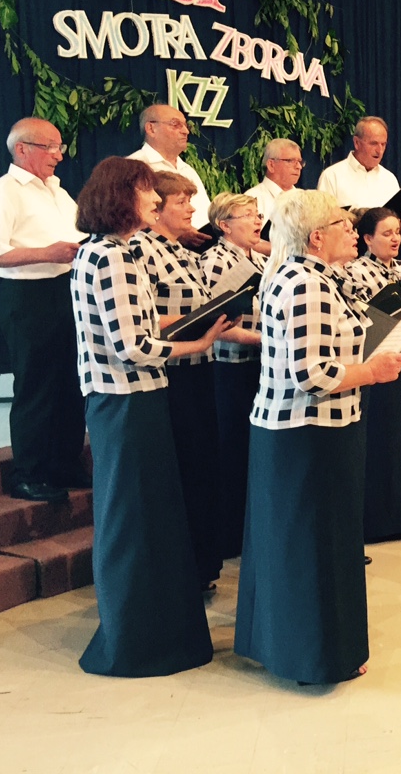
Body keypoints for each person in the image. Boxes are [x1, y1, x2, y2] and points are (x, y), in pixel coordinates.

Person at [235, 190, 401, 685]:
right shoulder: (305, 284)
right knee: (313, 546)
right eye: (342, 224)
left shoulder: (318, 277)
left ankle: (313, 649)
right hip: (305, 432)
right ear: (315, 237)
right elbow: (311, 373)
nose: (353, 230)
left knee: (321, 542)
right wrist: (372, 372)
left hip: (319, 428)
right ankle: (313, 656)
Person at [70, 157, 230, 677]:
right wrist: (197, 344)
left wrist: (190, 325)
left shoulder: (109, 251)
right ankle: (137, 640)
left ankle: (150, 631)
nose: (156, 200)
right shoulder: (111, 257)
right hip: (125, 399)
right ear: (121, 197)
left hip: (129, 397)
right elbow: (132, 346)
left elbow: (136, 323)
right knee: (133, 519)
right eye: (146, 192)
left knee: (144, 517)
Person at [0, 117, 87, 502]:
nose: (58, 155)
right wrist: (47, 253)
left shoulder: (58, 191)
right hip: (28, 296)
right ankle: (28, 473)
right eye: (50, 147)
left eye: (60, 147)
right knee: (36, 385)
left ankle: (65, 464)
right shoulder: (1, 193)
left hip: (66, 289)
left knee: (70, 382)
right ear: (22, 149)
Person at [130, 172, 230, 592]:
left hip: (200, 363)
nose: (191, 209)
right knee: (182, 467)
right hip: (170, 372)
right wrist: (203, 319)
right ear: (155, 209)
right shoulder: (140, 249)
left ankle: (201, 564)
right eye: (182, 202)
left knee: (202, 465)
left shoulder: (182, 249)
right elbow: (143, 316)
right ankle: (180, 569)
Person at [343, 207, 401, 540]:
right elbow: (362, 317)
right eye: (386, 233)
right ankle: (377, 520)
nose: (395, 239)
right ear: (367, 239)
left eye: (397, 232)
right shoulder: (355, 271)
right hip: (377, 361)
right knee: (382, 439)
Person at [199, 193, 266, 561]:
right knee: (233, 450)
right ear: (224, 225)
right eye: (248, 216)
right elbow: (215, 323)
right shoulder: (214, 261)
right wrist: (262, 339)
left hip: (259, 364)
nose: (257, 222)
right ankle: (230, 536)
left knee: (253, 451)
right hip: (230, 366)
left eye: (258, 215)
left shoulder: (261, 259)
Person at [127, 104, 210, 237]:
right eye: (175, 125)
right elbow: (129, 218)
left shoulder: (187, 170)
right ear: (151, 129)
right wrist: (177, 234)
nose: (185, 131)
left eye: (185, 126)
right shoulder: (134, 167)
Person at [316, 116, 400, 209]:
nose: (379, 150)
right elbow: (323, 216)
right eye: (373, 143)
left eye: (383, 144)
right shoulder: (332, 176)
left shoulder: (389, 179)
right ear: (356, 143)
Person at [245, 138, 303, 221]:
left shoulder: (303, 198)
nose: (299, 167)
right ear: (271, 165)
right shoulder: (253, 198)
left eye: (299, 162)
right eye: (290, 161)